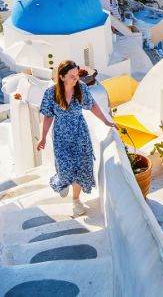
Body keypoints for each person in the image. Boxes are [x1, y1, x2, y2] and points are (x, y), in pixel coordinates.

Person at [36, 60, 116, 216]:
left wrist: (106, 121)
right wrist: (43, 137)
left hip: (80, 133)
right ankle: (63, 182)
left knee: (81, 167)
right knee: (65, 169)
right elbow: (47, 116)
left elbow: (92, 105)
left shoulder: (82, 88)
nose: (75, 79)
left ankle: (76, 200)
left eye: (76, 75)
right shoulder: (51, 93)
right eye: (71, 76)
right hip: (61, 136)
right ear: (61, 77)